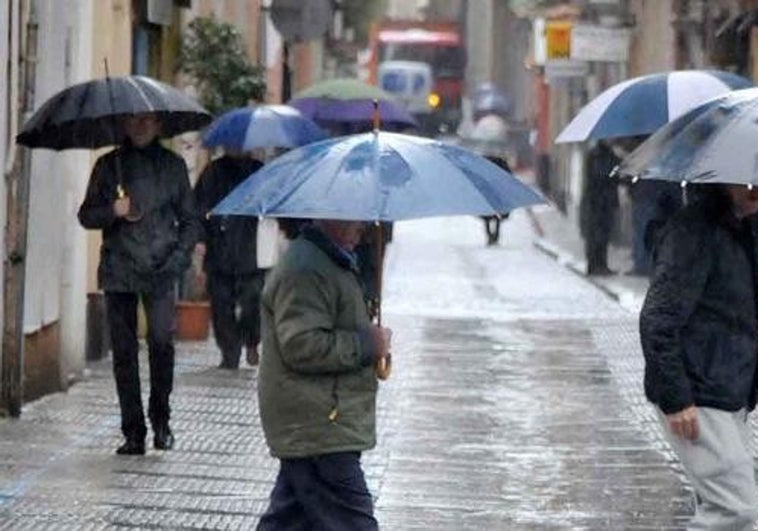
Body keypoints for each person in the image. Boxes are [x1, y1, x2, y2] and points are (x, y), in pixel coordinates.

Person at [256, 219, 392, 530]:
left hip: (318, 423)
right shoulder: (306, 269)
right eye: (354, 216)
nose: (362, 226)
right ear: (331, 214)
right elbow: (302, 345)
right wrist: (367, 343)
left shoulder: (328, 261)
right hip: (320, 425)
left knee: (290, 519)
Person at [77, 113, 199, 455]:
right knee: (125, 354)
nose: (141, 126)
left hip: (161, 269)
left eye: (148, 121)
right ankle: (133, 431)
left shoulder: (173, 167)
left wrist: (176, 260)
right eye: (134, 120)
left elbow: (190, 221)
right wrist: (112, 211)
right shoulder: (108, 165)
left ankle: (161, 419)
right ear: (125, 125)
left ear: (159, 125)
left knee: (162, 342)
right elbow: (86, 214)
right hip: (119, 270)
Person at [639, 183, 758, 529]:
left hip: (730, 391)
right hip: (699, 393)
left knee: (731, 507)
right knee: (737, 509)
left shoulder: (742, 229)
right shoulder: (694, 231)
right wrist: (676, 399)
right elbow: (658, 319)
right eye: (748, 181)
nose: (755, 188)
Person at [193, 151, 267, 369]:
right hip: (219, 248)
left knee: (252, 301)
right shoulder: (213, 172)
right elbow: (197, 207)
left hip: (250, 250)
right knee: (221, 305)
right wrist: (200, 236)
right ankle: (229, 351)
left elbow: (271, 201)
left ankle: (252, 340)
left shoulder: (258, 171)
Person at [579, 140, 620, 275]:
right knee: (597, 235)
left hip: (604, 201)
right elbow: (602, 174)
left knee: (604, 235)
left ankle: (602, 264)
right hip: (597, 202)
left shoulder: (609, 154)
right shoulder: (597, 155)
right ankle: (595, 265)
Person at [481, 155, 512, 246]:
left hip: (490, 194)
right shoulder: (501, 164)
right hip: (497, 194)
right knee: (496, 217)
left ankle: (491, 236)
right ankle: (494, 236)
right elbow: (509, 178)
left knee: (488, 217)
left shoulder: (484, 164)